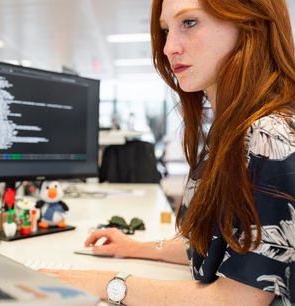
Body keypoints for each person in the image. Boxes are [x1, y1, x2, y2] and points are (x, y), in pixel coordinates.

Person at [41, 0, 295, 305]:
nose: (168, 47)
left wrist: (108, 283)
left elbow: (237, 299)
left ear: (250, 24)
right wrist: (135, 247)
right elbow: (218, 246)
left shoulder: (270, 135)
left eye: (189, 23)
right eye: (165, 30)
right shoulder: (233, 130)